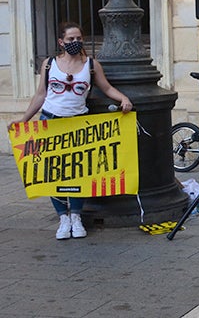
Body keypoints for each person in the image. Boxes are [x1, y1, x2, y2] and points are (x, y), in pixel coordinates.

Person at [8, 22, 133, 240]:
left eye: (78, 39)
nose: (75, 43)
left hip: (78, 124)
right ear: (61, 42)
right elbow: (40, 95)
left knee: (79, 172)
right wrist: (24, 119)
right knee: (52, 173)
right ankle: (62, 217)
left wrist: (123, 98)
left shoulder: (91, 65)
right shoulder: (49, 64)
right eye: (70, 40)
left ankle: (76, 215)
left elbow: (106, 87)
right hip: (51, 121)